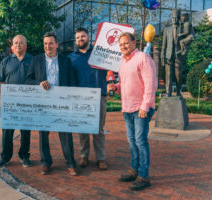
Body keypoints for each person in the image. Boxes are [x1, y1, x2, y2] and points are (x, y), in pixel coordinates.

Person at [108, 32, 157, 191]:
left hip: (140, 109)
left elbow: (151, 84)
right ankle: (134, 170)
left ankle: (143, 176)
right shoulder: (122, 62)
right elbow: (124, 84)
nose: (123, 46)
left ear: (134, 43)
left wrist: (145, 105)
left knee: (140, 141)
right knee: (132, 141)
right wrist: (115, 87)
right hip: (127, 108)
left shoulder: (143, 58)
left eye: (126, 43)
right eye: (121, 45)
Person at [25, 32, 78, 176]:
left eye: (50, 43)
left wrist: (70, 95)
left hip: (62, 102)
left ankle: (71, 162)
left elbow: (72, 80)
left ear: (56, 44)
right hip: (43, 102)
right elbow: (28, 80)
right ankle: (46, 162)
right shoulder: (36, 60)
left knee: (65, 133)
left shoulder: (66, 61)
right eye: (45, 44)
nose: (47, 46)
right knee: (43, 134)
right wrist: (39, 83)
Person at [69, 27, 108, 170]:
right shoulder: (71, 57)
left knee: (98, 129)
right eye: (78, 37)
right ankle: (84, 155)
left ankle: (101, 158)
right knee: (82, 128)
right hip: (81, 98)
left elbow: (115, 65)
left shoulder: (100, 54)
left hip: (99, 95)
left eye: (83, 36)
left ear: (88, 37)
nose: (80, 39)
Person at [0, 35, 32, 168]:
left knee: (26, 131)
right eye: (16, 43)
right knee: (7, 131)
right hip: (9, 102)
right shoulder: (5, 61)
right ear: (12, 46)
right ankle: (5, 157)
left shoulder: (32, 60)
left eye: (21, 43)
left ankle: (24, 156)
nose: (18, 45)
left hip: (27, 103)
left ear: (26, 46)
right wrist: (0, 100)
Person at [161, 9, 187, 97]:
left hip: (179, 55)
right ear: (171, 19)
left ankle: (178, 92)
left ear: (179, 18)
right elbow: (164, 44)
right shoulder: (167, 30)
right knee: (168, 74)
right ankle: (168, 92)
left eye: (176, 18)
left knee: (178, 74)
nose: (174, 20)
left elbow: (189, 38)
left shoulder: (183, 28)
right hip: (169, 55)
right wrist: (162, 56)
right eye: (173, 18)